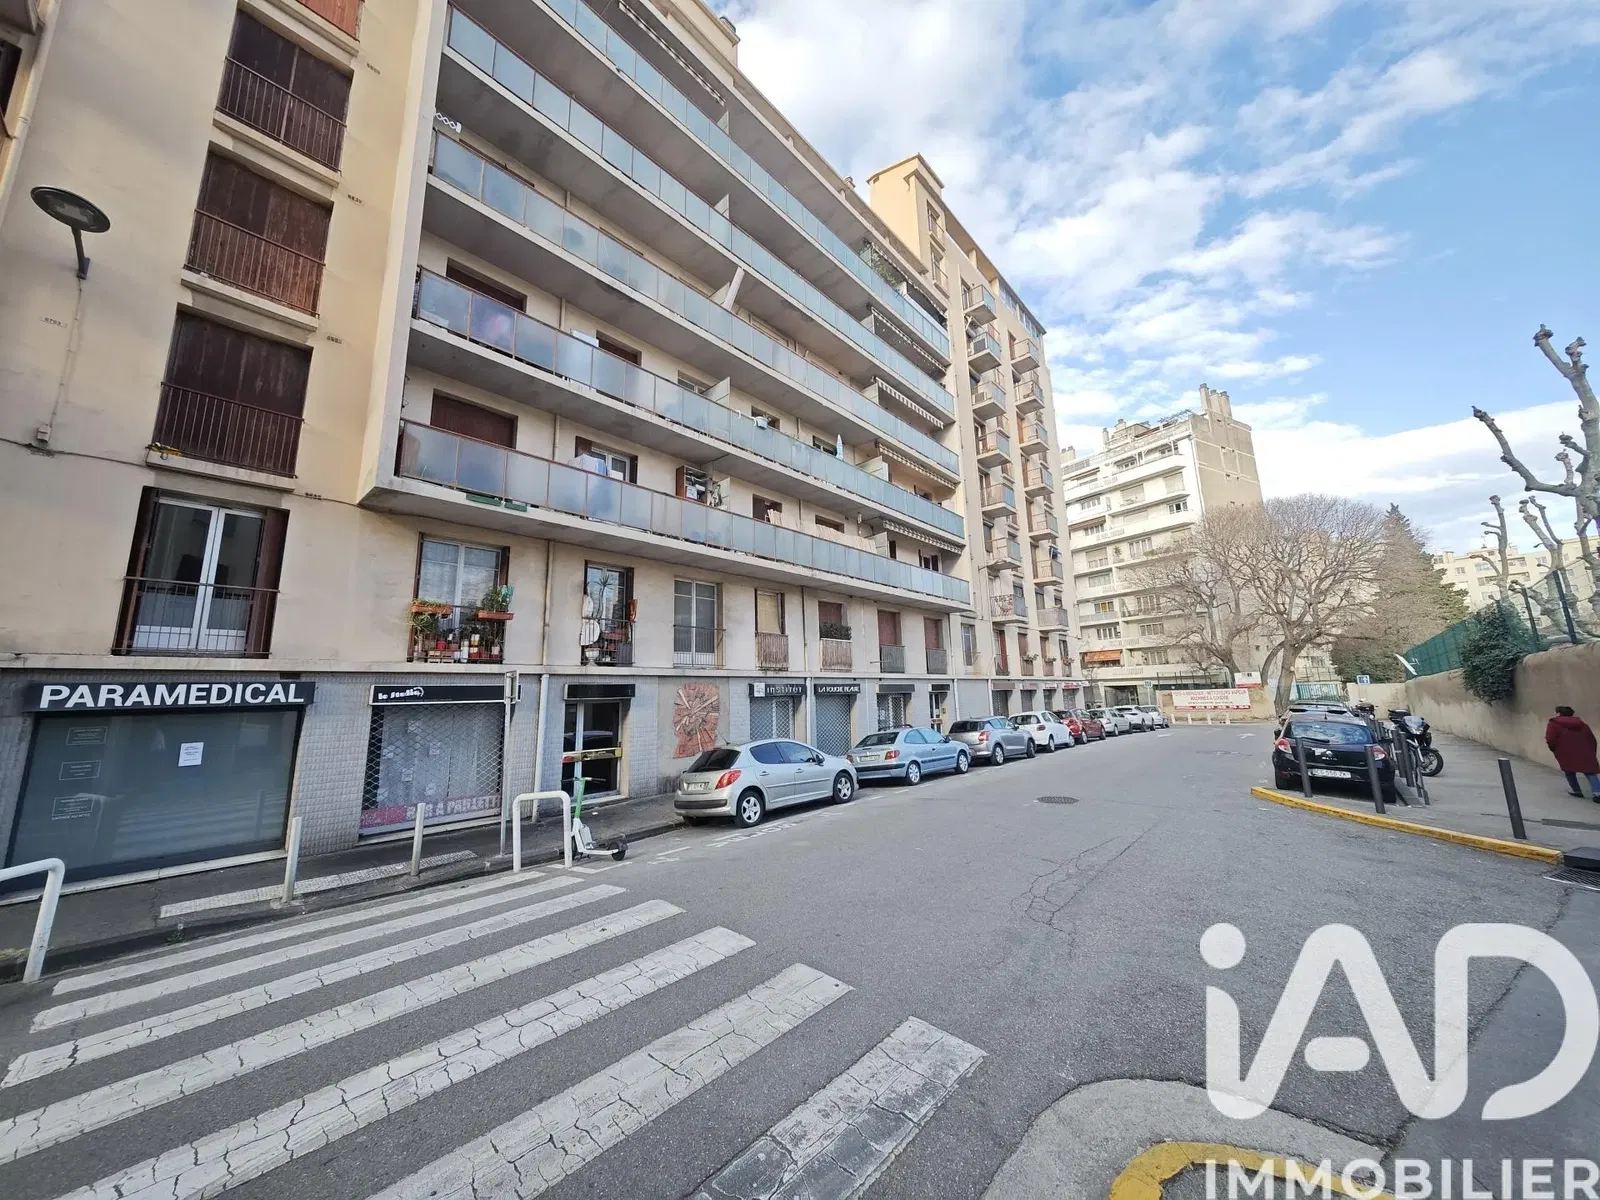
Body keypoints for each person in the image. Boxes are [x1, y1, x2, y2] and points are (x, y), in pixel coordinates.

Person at [1545, 706, 1600, 800]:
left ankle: (1576, 790)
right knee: (1590, 772)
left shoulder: (1553, 724)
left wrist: (1554, 748)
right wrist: (1592, 751)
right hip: (1585, 751)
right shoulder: (1582, 724)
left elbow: (1550, 738)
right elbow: (1592, 739)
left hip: (1565, 751)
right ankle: (1597, 793)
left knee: (1569, 770)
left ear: (1559, 713)